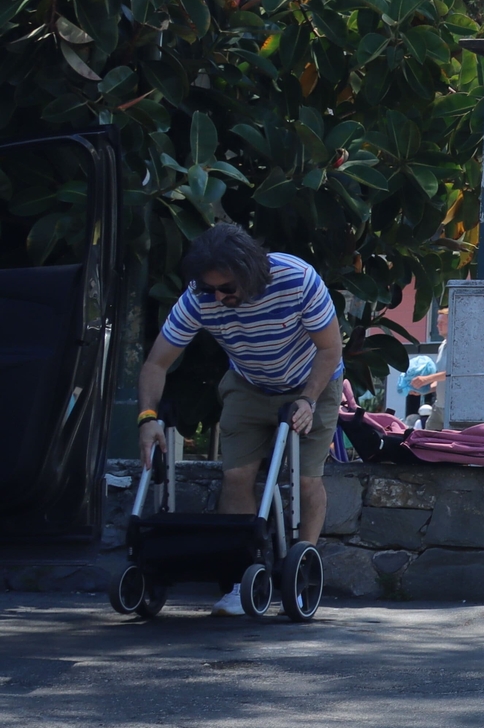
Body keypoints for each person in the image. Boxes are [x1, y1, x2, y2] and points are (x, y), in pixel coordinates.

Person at [134, 225, 341, 614]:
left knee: (307, 478)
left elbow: (329, 348)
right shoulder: (199, 300)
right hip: (247, 384)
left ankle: (301, 569)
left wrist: (308, 401)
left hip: (312, 380)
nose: (218, 297)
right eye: (209, 289)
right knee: (236, 476)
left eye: (226, 288)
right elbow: (156, 363)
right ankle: (239, 576)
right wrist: (147, 418)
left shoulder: (297, 279)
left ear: (250, 274)